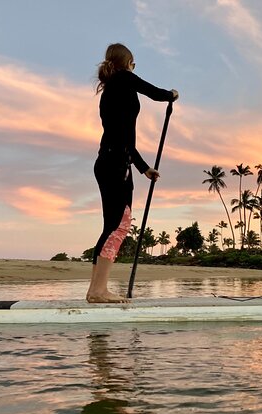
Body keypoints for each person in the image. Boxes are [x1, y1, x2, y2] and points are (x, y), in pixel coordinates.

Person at [87, 43, 179, 303]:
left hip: (111, 162)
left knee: (111, 226)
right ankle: (98, 291)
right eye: (133, 64)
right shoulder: (124, 79)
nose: (133, 68)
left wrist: (143, 168)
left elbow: (122, 139)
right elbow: (153, 92)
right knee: (118, 225)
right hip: (114, 165)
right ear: (127, 63)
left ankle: (95, 290)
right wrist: (171, 94)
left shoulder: (109, 91)